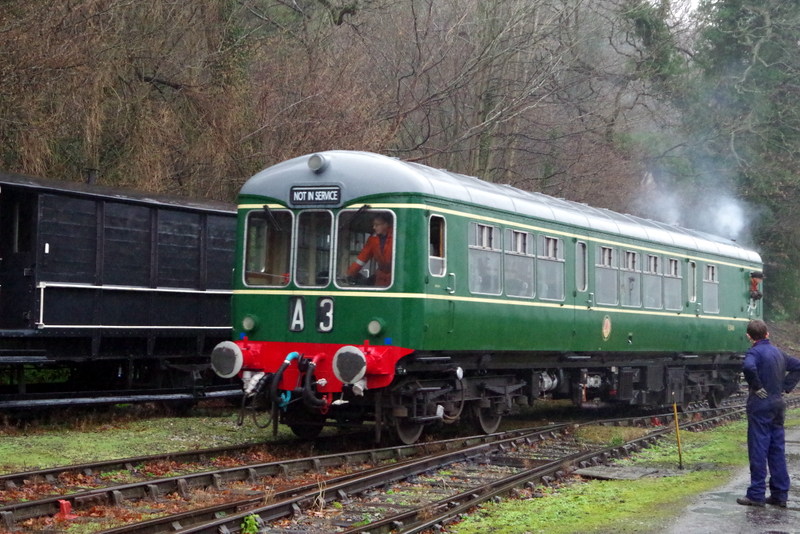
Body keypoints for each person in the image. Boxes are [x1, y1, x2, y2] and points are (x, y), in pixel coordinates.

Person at [736, 319, 800, 507]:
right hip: (777, 404)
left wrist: (756, 386)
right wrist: (786, 387)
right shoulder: (778, 352)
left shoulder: (754, 352)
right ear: (767, 334)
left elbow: (748, 367)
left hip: (760, 405)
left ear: (749, 336)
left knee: (758, 448)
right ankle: (780, 494)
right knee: (777, 449)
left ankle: (756, 495)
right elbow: (798, 366)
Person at [347, 213, 393, 287]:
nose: (374, 227)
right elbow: (362, 258)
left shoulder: (396, 237)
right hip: (380, 279)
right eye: (374, 225)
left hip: (395, 278)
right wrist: (349, 274)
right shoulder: (372, 240)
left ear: (386, 224)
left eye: (377, 225)